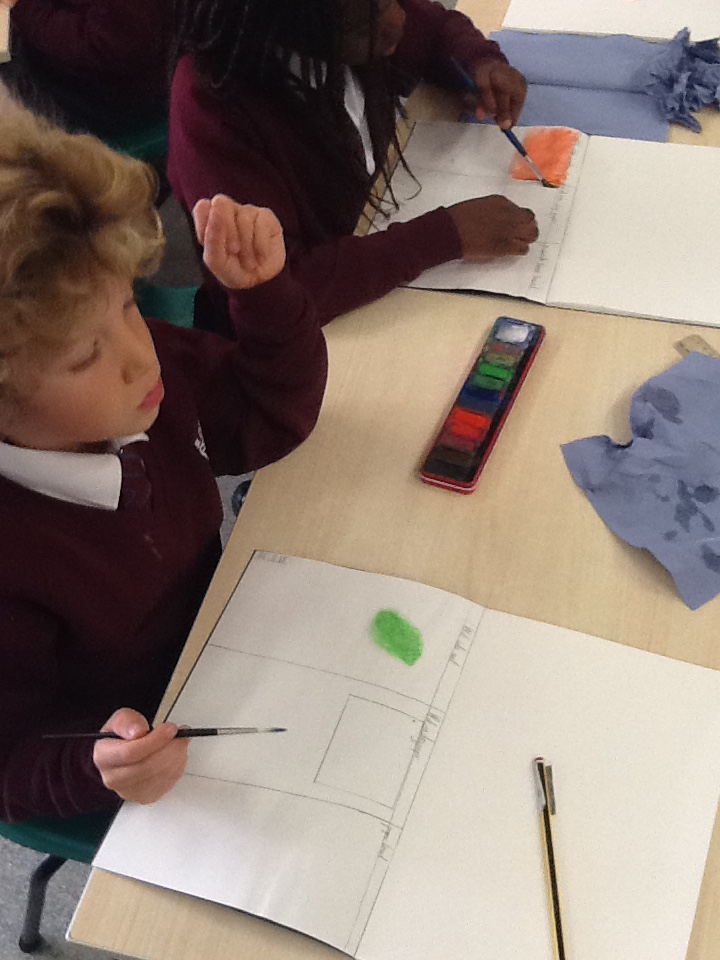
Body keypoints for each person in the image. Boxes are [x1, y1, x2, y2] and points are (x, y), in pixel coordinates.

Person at [0, 95, 327, 822]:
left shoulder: (146, 384)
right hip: (147, 760)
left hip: (234, 641)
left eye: (127, 305)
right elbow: (9, 764)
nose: (139, 354)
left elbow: (269, 417)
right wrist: (94, 765)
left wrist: (263, 299)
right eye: (84, 355)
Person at [169, 0, 539, 337]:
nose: (399, 18)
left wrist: (479, 61)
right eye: (373, 15)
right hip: (307, 338)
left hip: (368, 247)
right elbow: (280, 288)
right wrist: (444, 236)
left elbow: (436, 26)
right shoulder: (213, 110)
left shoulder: (352, 20)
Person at [0, 0, 173, 137]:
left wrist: (25, 7)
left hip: (116, 99)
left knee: (8, 59)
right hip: (106, 68)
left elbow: (105, 46)